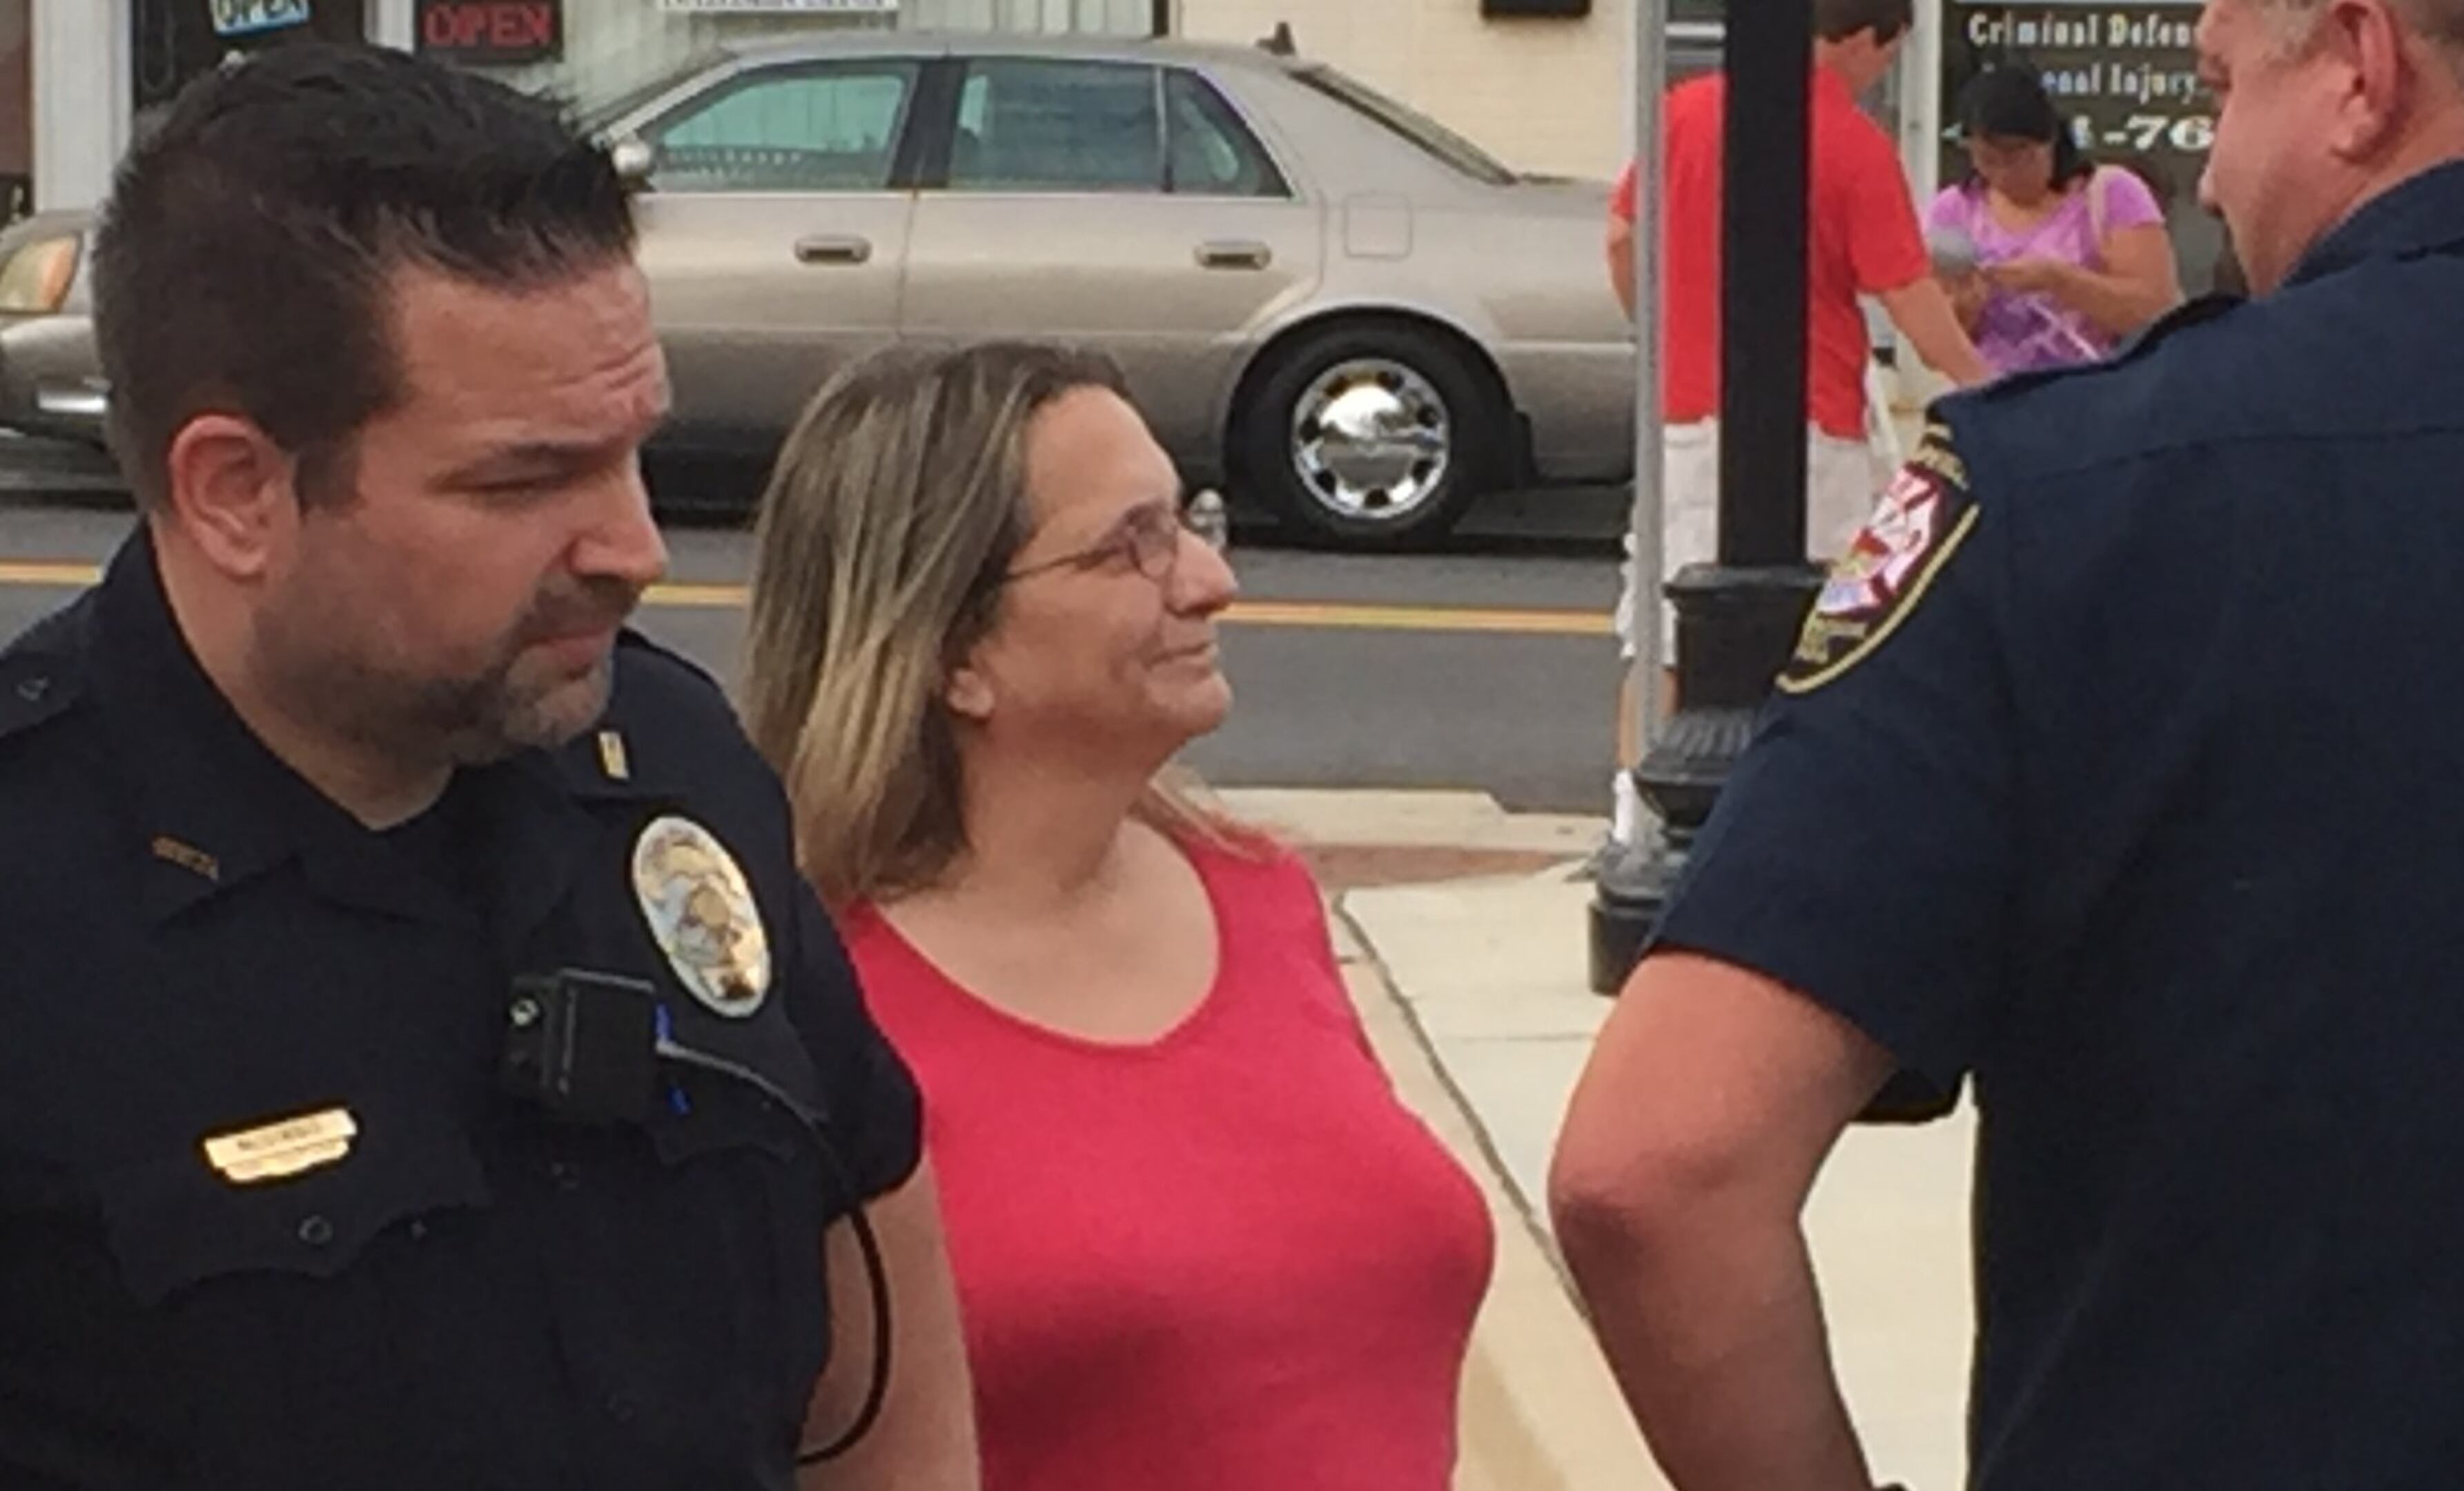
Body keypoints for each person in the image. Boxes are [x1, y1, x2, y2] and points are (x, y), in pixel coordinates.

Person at [1549, 0, 2464, 1485]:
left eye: (2216, 95)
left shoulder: (2072, 495)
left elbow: (1660, 1166)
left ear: (2361, 68)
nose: (2208, 178)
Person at [0, 46, 976, 1488]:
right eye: (526, 481)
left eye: (633, 453)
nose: (633, 549)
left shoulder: (672, 769)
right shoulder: (37, 896)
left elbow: (877, 1331)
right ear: (237, 492)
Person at [740, 342, 1494, 1491]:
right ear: (954, 652)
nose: (1205, 580)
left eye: (1189, 521)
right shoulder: (806, 1001)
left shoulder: (1260, 894)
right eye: (1127, 546)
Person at [1604, 0, 1989, 843]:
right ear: (1859, 39)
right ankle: (1787, 823)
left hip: (1678, 416)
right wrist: (1983, 383)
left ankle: (1635, 821)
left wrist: (1662, 338)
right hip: (1807, 428)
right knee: (1819, 631)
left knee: (1663, 637)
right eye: (1886, 56)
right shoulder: (1852, 145)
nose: (1881, 75)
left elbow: (1623, 234)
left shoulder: (1683, 111)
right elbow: (1906, 293)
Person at [1929, 66, 2182, 373]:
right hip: (1996, 394)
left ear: (2049, 143)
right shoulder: (1955, 210)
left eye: (2017, 159)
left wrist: (2060, 281)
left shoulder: (2112, 194)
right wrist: (1967, 309)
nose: (2002, 174)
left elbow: (2156, 309)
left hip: (2099, 392)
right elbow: (1934, 343)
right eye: (1986, 160)